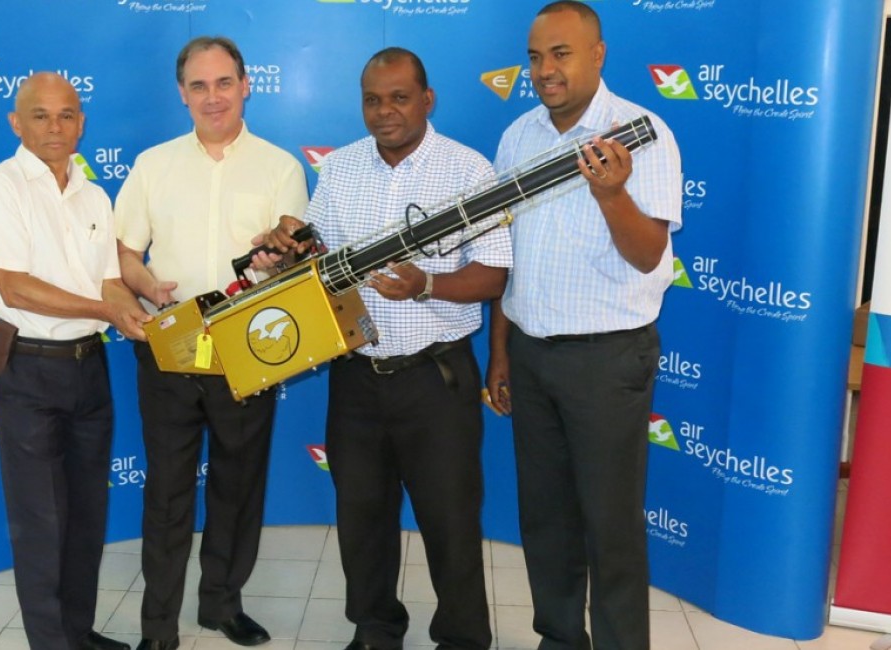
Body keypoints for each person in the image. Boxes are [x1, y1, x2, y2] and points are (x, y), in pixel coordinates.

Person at [262, 47, 510, 650]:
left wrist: (427, 284)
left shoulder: (468, 171)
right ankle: (375, 629)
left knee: (450, 521)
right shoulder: (341, 169)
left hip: (436, 378)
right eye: (372, 100)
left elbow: (495, 273)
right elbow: (319, 262)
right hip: (356, 377)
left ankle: (463, 638)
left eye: (399, 97)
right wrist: (286, 256)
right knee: (362, 518)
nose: (385, 111)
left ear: (427, 100)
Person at [484, 2, 683, 650]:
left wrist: (611, 194)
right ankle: (560, 638)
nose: (545, 70)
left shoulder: (642, 132)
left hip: (606, 361)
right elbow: (508, 260)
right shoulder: (517, 138)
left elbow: (650, 253)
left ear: (598, 54)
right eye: (536, 56)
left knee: (611, 527)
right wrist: (503, 353)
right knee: (546, 520)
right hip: (533, 354)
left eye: (561, 54)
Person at [113, 36, 309, 650]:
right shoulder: (153, 164)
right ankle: (158, 629)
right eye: (199, 86)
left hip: (245, 345)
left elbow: (293, 257)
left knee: (238, 483)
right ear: (182, 94)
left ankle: (222, 604)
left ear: (246, 84)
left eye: (224, 82)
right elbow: (122, 250)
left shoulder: (280, 167)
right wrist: (144, 282)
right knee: (167, 493)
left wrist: (278, 256)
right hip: (169, 344)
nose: (213, 97)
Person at [0, 72, 141, 650]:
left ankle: (77, 633)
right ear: (17, 123)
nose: (55, 127)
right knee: (42, 519)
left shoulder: (94, 195)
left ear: (82, 123)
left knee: (87, 513)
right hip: (26, 366)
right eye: (41, 116)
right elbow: (14, 287)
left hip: (89, 364)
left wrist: (140, 317)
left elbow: (112, 284)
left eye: (66, 115)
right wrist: (103, 309)